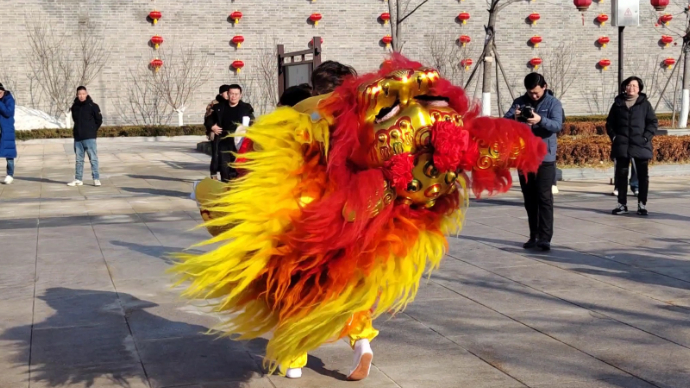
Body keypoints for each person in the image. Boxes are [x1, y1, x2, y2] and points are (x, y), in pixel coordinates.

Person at [172, 56, 547, 382]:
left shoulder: (302, 115)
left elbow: (253, 161)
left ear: (314, 87)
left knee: (296, 287)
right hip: (373, 217)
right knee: (357, 284)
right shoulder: (373, 114)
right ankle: (361, 342)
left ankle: (293, 361)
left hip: (312, 217)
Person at [505, 73, 563, 251]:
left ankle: (545, 237)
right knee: (529, 198)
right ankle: (533, 235)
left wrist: (540, 120)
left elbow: (557, 126)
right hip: (524, 156)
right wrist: (515, 119)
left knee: (544, 197)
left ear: (544, 86)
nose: (534, 96)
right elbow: (504, 122)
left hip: (545, 157)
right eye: (530, 93)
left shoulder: (553, 103)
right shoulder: (520, 102)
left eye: (536, 93)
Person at [606, 76, 657, 216]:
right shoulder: (618, 104)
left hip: (640, 144)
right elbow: (610, 123)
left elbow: (652, 123)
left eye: (634, 86)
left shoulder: (645, 104)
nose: (631, 88)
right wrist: (615, 136)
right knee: (621, 175)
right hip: (622, 145)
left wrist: (646, 137)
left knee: (642, 176)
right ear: (624, 87)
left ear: (639, 88)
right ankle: (621, 204)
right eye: (629, 85)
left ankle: (642, 204)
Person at [208, 84, 254, 182]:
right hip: (224, 140)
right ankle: (225, 186)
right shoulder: (219, 107)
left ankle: (236, 188)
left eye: (236, 94)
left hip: (240, 141)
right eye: (232, 94)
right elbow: (209, 119)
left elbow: (252, 121)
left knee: (238, 166)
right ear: (227, 94)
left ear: (240, 95)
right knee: (224, 167)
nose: (234, 96)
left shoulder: (246, 108)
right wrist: (212, 126)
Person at [67, 86, 102, 187]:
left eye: (83, 94)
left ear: (86, 94)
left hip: (89, 137)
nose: (81, 96)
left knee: (93, 158)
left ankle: (96, 178)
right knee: (79, 160)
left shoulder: (93, 106)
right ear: (77, 95)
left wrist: (92, 130)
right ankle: (78, 179)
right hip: (78, 138)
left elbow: (99, 120)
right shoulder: (75, 107)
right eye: (79, 94)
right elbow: (75, 120)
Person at [204, 84, 230, 180]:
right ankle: (214, 173)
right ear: (221, 93)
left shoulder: (231, 103)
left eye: (229, 92)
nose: (228, 94)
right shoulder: (214, 104)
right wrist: (212, 127)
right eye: (226, 92)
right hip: (216, 133)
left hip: (228, 133)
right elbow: (207, 118)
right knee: (216, 154)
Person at [0, 83, 16, 185]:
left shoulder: (9, 100)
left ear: (3, 91)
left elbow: (8, 112)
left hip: (7, 130)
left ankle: (10, 174)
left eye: (0, 92)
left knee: (9, 154)